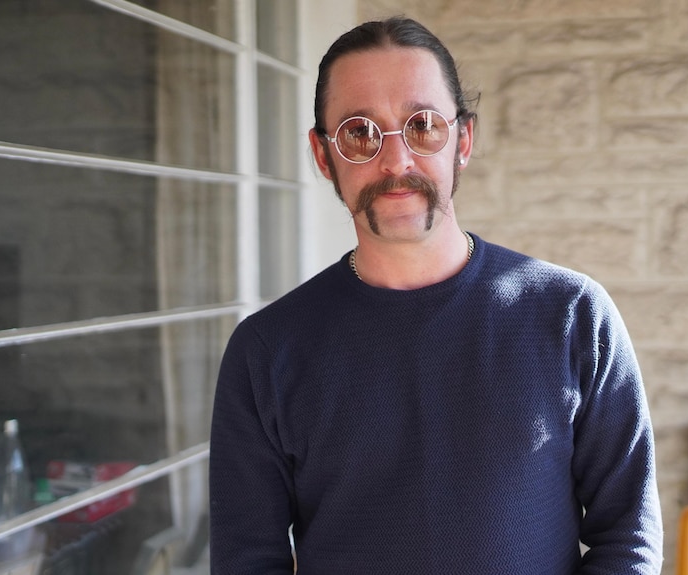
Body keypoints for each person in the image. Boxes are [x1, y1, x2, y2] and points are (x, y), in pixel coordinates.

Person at [209, 16, 663, 575]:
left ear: (463, 140)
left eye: (422, 125)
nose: (395, 161)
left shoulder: (571, 317)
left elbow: (628, 534)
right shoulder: (266, 351)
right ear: (324, 156)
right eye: (358, 132)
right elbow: (247, 560)